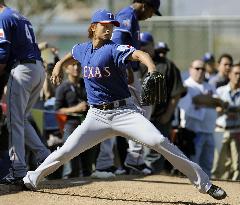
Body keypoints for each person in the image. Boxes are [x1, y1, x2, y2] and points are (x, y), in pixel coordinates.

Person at [23, 9, 226, 200]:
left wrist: (152, 68)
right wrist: (59, 64)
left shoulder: (115, 48)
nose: (109, 28)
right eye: (105, 25)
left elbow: (139, 54)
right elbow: (72, 54)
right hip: (97, 116)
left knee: (158, 141)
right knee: (66, 150)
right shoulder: (83, 49)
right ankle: (31, 178)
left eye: (112, 25)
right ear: (94, 26)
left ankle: (205, 184)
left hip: (124, 112)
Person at [108, 0, 162, 173]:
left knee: (142, 109)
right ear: (145, 5)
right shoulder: (126, 15)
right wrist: (126, 69)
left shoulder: (132, 17)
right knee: (140, 109)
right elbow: (116, 45)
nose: (151, 15)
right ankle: (132, 158)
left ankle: (134, 158)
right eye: (153, 10)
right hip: (126, 71)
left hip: (130, 71)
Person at [0, 1, 50, 185]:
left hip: (22, 69)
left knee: (13, 121)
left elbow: (2, 50)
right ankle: (45, 156)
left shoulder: (3, 17)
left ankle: (18, 170)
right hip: (37, 69)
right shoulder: (20, 16)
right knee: (21, 119)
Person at [139, 32, 187, 173]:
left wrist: (168, 114)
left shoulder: (166, 65)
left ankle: (153, 180)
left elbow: (176, 92)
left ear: (153, 46)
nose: (143, 48)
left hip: (159, 117)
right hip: (138, 117)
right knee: (136, 151)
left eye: (145, 45)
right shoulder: (133, 65)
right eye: (140, 46)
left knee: (155, 151)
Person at [178, 59, 227, 177]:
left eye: (203, 69)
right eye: (197, 68)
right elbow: (195, 100)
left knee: (208, 165)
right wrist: (209, 101)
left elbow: (219, 103)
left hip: (209, 130)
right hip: (193, 132)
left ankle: (207, 189)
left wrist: (204, 100)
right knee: (194, 165)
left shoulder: (209, 86)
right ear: (190, 69)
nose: (200, 71)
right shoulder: (187, 85)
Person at [55, 62, 98, 178]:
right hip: (71, 127)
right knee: (71, 165)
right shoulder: (62, 88)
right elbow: (57, 110)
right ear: (66, 69)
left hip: (88, 125)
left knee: (88, 166)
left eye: (78, 65)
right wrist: (76, 108)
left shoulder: (87, 84)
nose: (76, 68)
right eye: (72, 65)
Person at [212, 64, 240, 180]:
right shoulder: (220, 91)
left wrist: (239, 111)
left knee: (238, 165)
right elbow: (213, 109)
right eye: (236, 73)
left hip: (239, 130)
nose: (238, 76)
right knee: (219, 164)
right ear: (230, 74)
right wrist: (223, 108)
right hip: (221, 130)